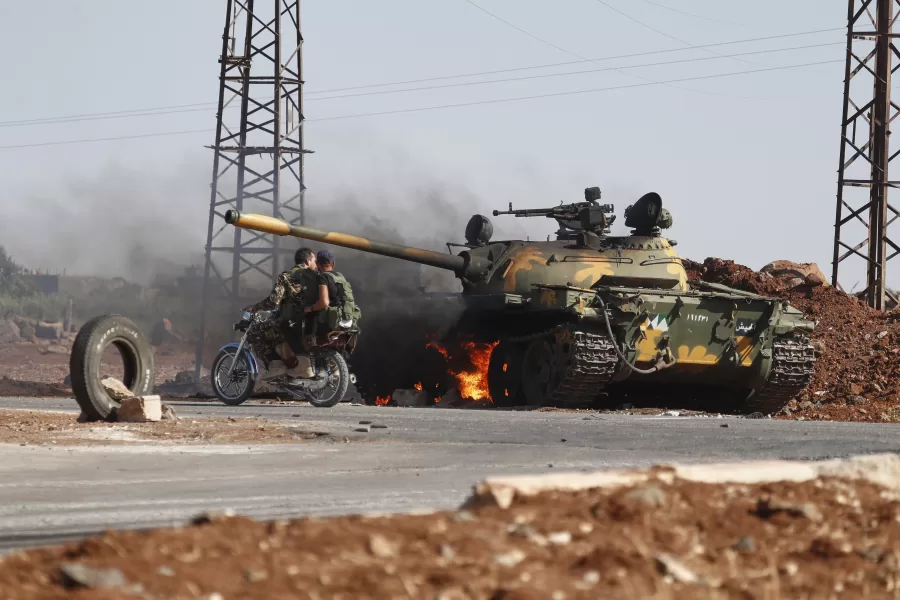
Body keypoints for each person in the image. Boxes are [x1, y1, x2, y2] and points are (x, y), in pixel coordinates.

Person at [247, 247, 320, 380]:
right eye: (314, 261)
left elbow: (274, 301)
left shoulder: (287, 276)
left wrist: (256, 307)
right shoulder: (318, 277)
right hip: (313, 320)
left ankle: (277, 365)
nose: (315, 264)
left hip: (292, 321)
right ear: (308, 261)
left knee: (256, 331)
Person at [309, 249, 360, 331]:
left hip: (334, 322)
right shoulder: (341, 276)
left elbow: (324, 302)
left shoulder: (322, 277)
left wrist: (310, 308)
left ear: (317, 264)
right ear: (333, 264)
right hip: (350, 321)